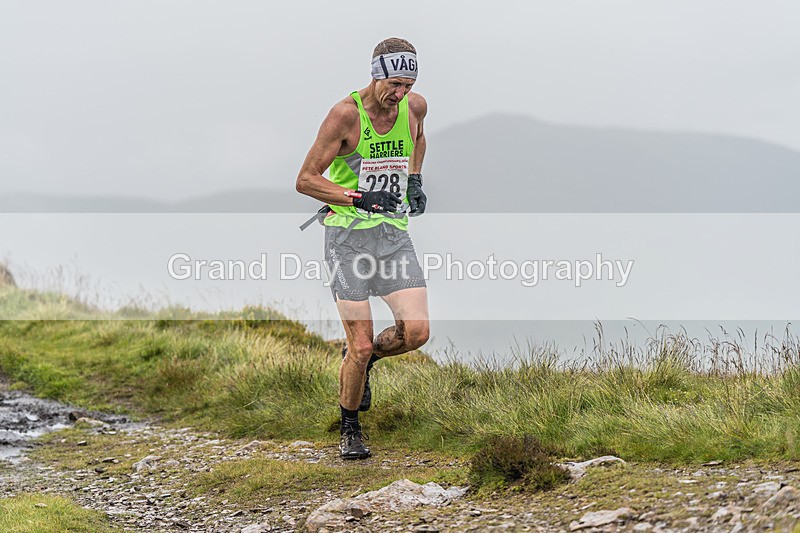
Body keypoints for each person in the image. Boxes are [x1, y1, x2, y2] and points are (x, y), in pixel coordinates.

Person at [296, 37, 430, 459]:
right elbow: (305, 180)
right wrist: (360, 198)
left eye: (408, 84)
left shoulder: (414, 107)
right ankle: (349, 428)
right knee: (361, 344)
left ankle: (364, 363)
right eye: (394, 84)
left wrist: (415, 181)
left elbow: (419, 138)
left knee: (417, 333)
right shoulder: (345, 116)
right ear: (375, 76)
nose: (400, 94)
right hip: (347, 241)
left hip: (392, 238)